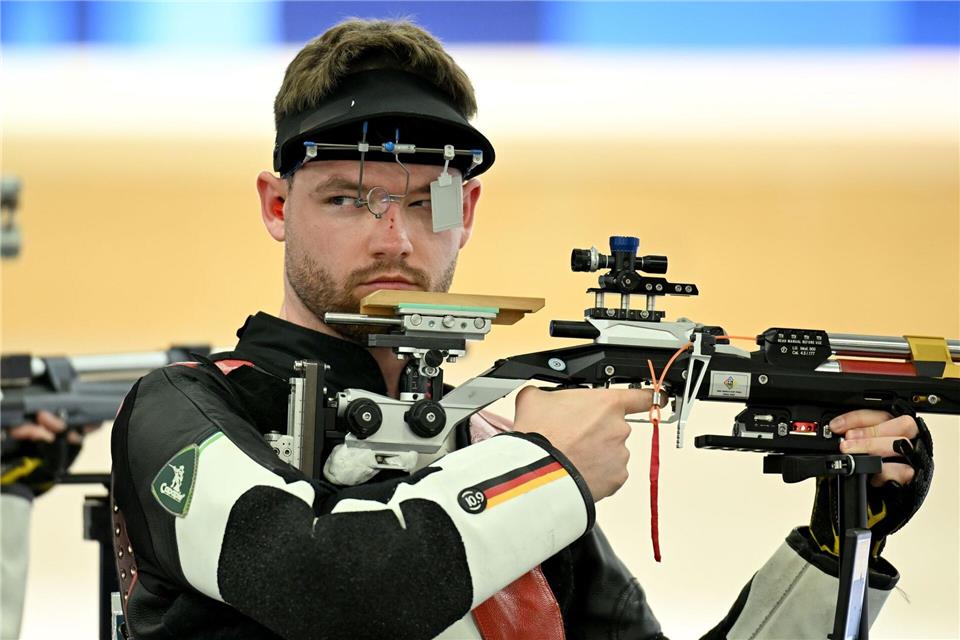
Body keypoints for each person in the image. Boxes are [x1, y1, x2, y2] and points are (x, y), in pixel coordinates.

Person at [109, 18, 933, 640]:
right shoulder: (182, 410)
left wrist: (836, 550)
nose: (394, 237)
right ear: (277, 205)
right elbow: (333, 587)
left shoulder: (498, 452)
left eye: (426, 199)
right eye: (348, 197)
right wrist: (545, 467)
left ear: (465, 212)